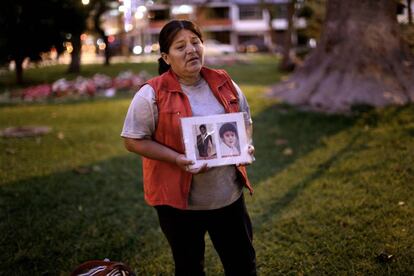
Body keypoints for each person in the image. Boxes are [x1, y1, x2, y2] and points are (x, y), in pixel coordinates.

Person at [121, 19, 256, 276]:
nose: (191, 50)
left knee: (242, 264)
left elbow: (245, 121)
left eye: (195, 42)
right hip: (179, 205)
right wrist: (176, 158)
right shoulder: (151, 94)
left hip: (227, 197)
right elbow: (133, 140)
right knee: (190, 268)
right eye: (180, 46)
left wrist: (245, 146)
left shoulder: (225, 82)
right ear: (166, 57)